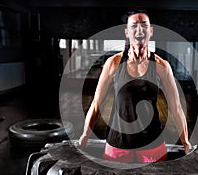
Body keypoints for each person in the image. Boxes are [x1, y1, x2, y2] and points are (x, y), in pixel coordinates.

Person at [79, 9, 191, 163]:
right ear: (127, 32)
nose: (139, 30)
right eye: (134, 26)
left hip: (152, 143)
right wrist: (85, 135)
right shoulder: (113, 63)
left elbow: (176, 106)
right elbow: (97, 103)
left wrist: (185, 141)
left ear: (150, 31)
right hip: (118, 143)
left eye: (144, 25)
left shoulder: (161, 66)